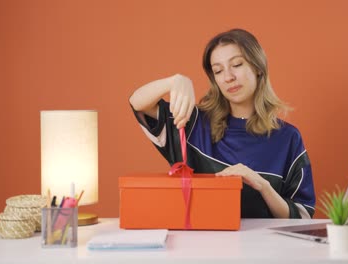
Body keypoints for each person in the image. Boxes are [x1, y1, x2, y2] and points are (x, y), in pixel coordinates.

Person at [129, 28, 315, 218]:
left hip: (263, 246)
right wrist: (175, 81)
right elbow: (138, 103)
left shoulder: (287, 137)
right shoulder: (191, 122)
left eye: (237, 64)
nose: (228, 77)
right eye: (218, 70)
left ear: (258, 67)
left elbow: (303, 216)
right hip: (200, 245)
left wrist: (263, 186)